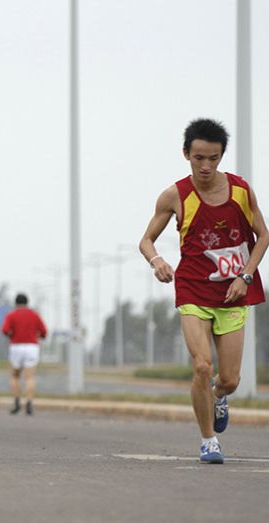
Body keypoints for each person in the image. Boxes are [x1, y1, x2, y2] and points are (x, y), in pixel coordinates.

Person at [139, 118, 268, 464]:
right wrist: (157, 261)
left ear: (221, 156)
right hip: (193, 290)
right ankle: (208, 440)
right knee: (201, 365)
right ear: (186, 154)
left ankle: (219, 395)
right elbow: (146, 240)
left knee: (230, 379)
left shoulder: (241, 191)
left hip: (233, 294)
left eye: (213, 158)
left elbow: (263, 236)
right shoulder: (175, 195)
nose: (206, 166)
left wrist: (245, 276)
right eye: (199, 158)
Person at [0, 293, 47, 415]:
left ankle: (17, 402)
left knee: (15, 376)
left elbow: (5, 330)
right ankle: (29, 404)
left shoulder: (11, 315)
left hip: (16, 346)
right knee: (29, 377)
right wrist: (37, 336)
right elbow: (44, 332)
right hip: (31, 347)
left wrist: (12, 335)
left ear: (16, 303)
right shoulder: (34, 315)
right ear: (27, 303)